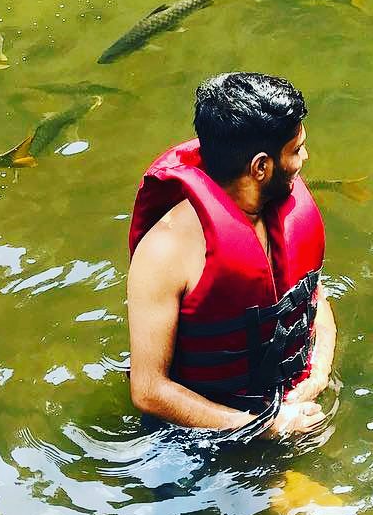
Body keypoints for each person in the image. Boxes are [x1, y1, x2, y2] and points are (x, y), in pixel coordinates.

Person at [127, 72, 336, 437]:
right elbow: (149, 390)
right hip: (192, 440)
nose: (306, 157)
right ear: (261, 167)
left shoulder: (282, 209)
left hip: (292, 410)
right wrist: (264, 426)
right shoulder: (167, 250)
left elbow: (316, 298)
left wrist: (317, 375)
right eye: (296, 149)